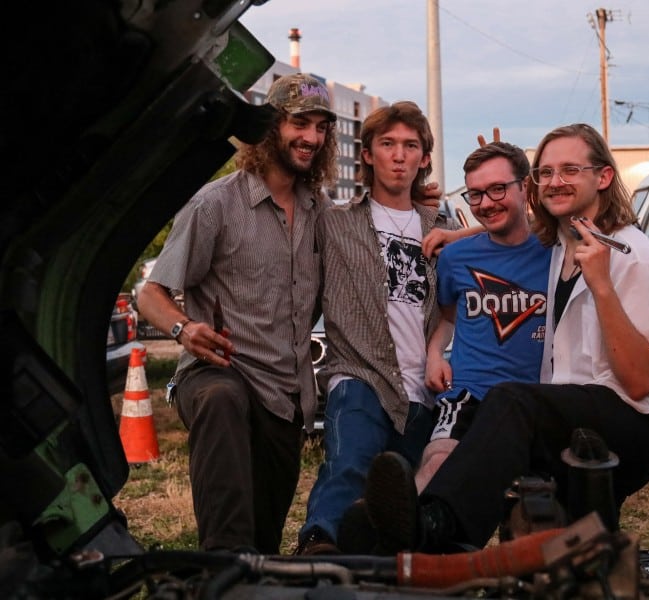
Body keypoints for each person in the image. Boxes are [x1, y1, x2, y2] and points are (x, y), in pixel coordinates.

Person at [362, 123, 649, 553]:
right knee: (480, 418)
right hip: (574, 408)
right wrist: (460, 234)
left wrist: (601, 286)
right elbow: (512, 227)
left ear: (603, 177)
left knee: (512, 401)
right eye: (545, 173)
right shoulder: (562, 243)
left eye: (570, 169)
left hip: (634, 419)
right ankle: (412, 545)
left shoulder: (632, 255)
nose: (555, 181)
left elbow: (640, 381)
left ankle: (438, 524)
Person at [136, 73, 338, 554]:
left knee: (264, 544)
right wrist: (184, 329)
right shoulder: (216, 204)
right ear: (271, 127)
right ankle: (219, 569)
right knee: (222, 401)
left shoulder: (321, 211)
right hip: (220, 374)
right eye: (299, 123)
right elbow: (151, 293)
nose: (311, 137)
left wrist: (428, 213)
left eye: (321, 128)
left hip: (287, 398)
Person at [293, 101, 461, 555]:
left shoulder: (441, 225)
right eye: (387, 144)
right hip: (360, 372)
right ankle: (318, 545)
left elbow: (497, 247)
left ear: (424, 157)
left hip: (422, 385)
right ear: (367, 154)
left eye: (410, 146)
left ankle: (385, 569)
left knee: (403, 494)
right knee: (349, 460)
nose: (399, 155)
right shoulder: (335, 221)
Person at [414, 141, 551, 493]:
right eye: (475, 195)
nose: (486, 203)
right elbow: (447, 318)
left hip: (540, 396)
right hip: (469, 393)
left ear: (525, 186)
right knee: (437, 464)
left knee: (536, 503)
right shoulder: (455, 258)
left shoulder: (558, 250)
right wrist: (433, 356)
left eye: (497, 189)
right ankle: (409, 538)